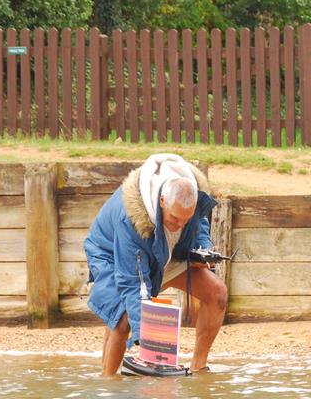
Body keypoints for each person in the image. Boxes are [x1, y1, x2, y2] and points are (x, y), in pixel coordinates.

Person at [84, 154, 227, 376]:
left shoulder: (191, 200)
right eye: (174, 219)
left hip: (164, 254)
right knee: (122, 320)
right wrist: (146, 337)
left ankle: (199, 368)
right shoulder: (131, 221)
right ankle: (108, 384)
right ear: (162, 202)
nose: (179, 226)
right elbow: (133, 285)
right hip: (112, 254)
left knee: (217, 292)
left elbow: (200, 222)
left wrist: (201, 250)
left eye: (185, 221)